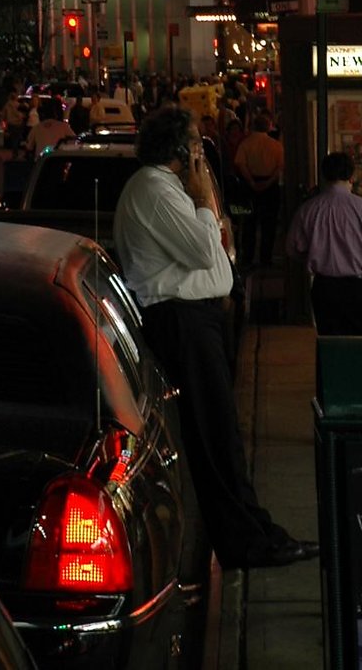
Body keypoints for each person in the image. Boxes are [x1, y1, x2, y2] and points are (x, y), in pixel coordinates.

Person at [112, 107, 316, 570]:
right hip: (182, 322)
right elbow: (206, 250)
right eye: (196, 143)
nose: (202, 152)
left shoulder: (167, 190)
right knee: (214, 434)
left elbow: (220, 246)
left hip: (197, 320)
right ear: (179, 149)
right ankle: (245, 541)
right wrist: (204, 198)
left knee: (223, 430)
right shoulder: (156, 190)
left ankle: (255, 528)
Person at [286, 153, 362, 334]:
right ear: (352, 176)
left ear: (324, 175)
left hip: (324, 287)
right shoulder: (359, 207)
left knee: (329, 343)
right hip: (358, 286)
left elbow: (293, 248)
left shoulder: (309, 209)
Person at [232, 111, 284, 270]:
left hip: (248, 187)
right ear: (268, 127)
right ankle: (265, 258)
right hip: (270, 187)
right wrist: (268, 182)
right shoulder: (276, 145)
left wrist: (252, 182)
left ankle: (248, 257)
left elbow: (240, 164)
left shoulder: (246, 144)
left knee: (249, 222)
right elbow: (280, 169)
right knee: (269, 223)